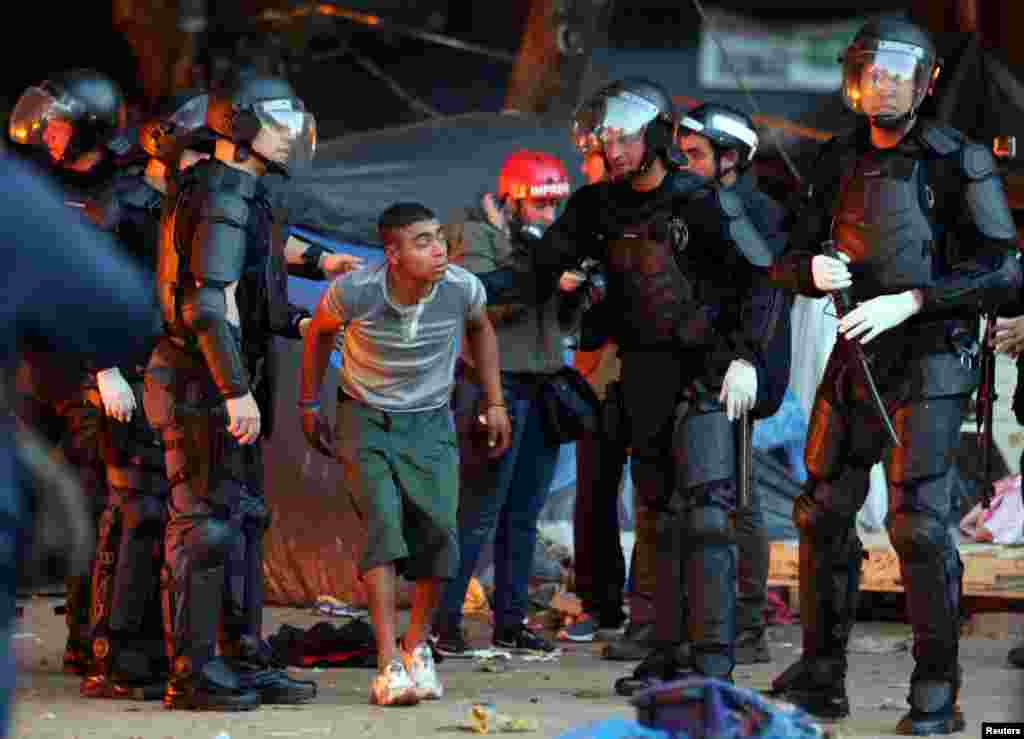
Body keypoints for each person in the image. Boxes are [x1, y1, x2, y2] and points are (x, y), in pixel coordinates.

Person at [766, 18, 1020, 734]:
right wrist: (807, 271)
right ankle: (821, 673)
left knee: (916, 525)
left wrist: (913, 298)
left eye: (894, 72)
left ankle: (936, 689)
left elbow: (1004, 265)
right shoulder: (835, 160)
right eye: (870, 71)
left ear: (924, 82)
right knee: (819, 510)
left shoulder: (956, 159)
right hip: (855, 353)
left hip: (933, 355)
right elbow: (785, 251)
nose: (881, 83)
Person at [498, 77, 789, 691]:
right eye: (609, 137)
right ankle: (665, 652)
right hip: (645, 371)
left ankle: (711, 664)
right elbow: (539, 271)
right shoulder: (596, 205)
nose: (616, 147)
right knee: (658, 514)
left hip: (710, 369)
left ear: (655, 135)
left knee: (708, 517)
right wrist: (458, 294)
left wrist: (747, 359)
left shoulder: (703, 200)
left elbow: (764, 280)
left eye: (627, 135)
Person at [146, 73, 321, 710]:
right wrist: (235, 389)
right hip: (202, 382)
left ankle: (241, 657)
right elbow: (206, 306)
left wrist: (308, 323)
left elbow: (254, 293)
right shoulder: (221, 194)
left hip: (219, 378)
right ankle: (194, 673)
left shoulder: (241, 193)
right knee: (204, 527)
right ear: (241, 127)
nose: (292, 133)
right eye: (278, 121)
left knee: (241, 521)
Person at [298, 202, 512, 705]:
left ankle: (417, 646)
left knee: (440, 534)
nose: (438, 249)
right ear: (392, 253)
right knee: (383, 527)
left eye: (439, 238)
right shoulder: (357, 291)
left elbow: (481, 329)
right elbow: (320, 332)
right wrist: (309, 403)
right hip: (365, 416)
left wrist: (495, 400)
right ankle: (387, 660)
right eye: (422, 241)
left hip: (430, 420)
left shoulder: (461, 288)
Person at [0, 151, 157, 737]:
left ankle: (87, 643)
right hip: (75, 401)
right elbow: (120, 311)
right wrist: (104, 370)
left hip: (65, 401)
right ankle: (94, 644)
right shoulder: (17, 199)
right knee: (111, 507)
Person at [7, 68, 134, 676]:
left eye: (59, 125)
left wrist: (107, 366)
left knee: (93, 498)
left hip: (86, 380)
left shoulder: (123, 190)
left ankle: (88, 637)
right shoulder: (34, 184)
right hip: (35, 376)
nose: (48, 135)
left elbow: (122, 304)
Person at [433, 150, 577, 657]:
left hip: (541, 387)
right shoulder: (474, 235)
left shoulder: (542, 240)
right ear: (512, 200)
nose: (548, 217)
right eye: (539, 207)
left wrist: (574, 290)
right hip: (495, 388)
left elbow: (561, 317)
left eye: (554, 207)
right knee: (477, 511)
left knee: (524, 513)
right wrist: (544, 270)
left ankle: (510, 622)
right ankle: (442, 622)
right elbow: (483, 300)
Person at [676, 103, 791, 664]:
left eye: (697, 154)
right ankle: (714, 621)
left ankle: (746, 625)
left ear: (730, 157)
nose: (687, 163)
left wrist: (747, 360)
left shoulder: (753, 211)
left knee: (737, 498)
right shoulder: (701, 205)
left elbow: (769, 287)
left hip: (739, 374)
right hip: (707, 365)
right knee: (711, 496)